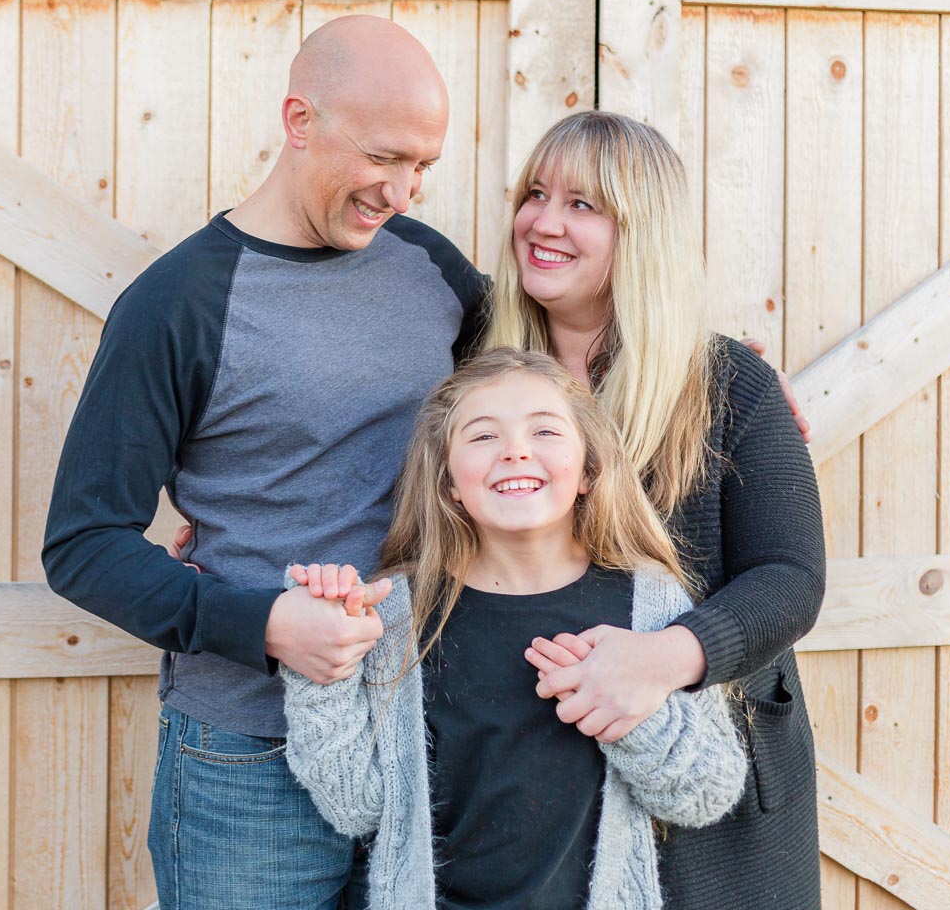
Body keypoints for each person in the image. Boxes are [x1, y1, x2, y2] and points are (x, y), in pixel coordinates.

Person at [41, 15, 489, 909]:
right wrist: (269, 626)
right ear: (298, 121)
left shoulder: (433, 271)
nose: (403, 192)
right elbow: (83, 544)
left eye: (423, 168)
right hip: (248, 758)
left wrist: (721, 378)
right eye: (384, 158)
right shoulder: (177, 303)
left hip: (422, 733)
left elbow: (540, 411)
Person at [485, 110, 826, 908]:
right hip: (530, 776)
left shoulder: (727, 385)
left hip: (711, 791)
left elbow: (790, 577)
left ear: (642, 234)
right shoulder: (479, 370)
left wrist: (662, 658)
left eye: (583, 205)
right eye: (536, 194)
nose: (543, 221)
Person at [281, 348, 748, 909]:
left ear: (587, 469)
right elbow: (354, 804)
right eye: (482, 437)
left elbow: (706, 792)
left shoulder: (649, 604)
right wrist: (321, 668)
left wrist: (630, 713)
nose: (516, 451)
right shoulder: (394, 612)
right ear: (449, 481)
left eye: (545, 430)